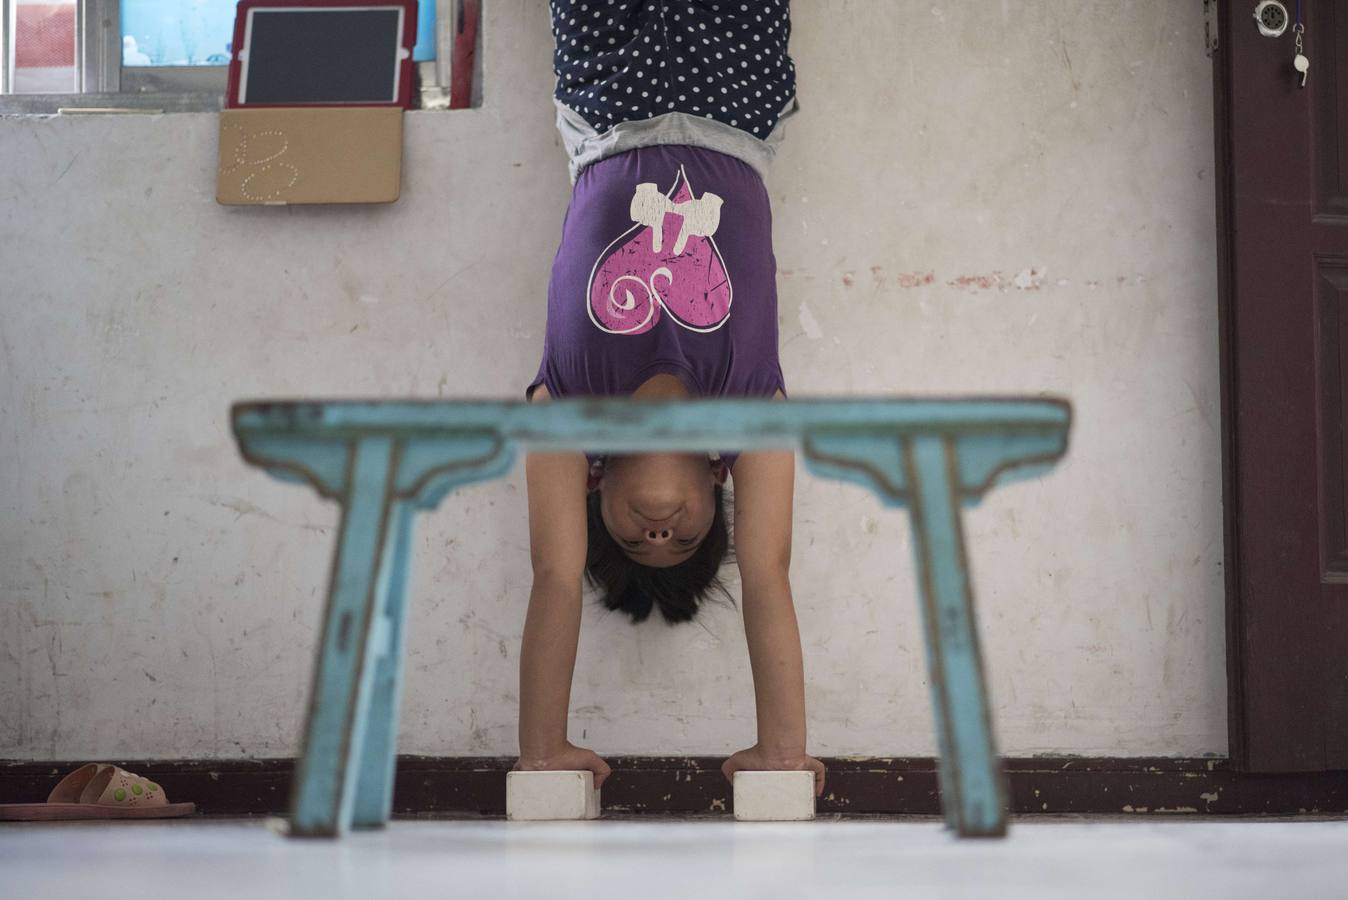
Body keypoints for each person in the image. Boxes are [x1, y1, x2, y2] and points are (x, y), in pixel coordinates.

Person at [514, 0, 825, 799]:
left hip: (605, 105)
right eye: (683, 541)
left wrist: (541, 752)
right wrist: (783, 752)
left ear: (594, 486)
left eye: (636, 539)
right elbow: (767, 572)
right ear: (719, 484)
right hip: (735, 104)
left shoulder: (565, 414)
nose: (659, 533)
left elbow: (555, 575)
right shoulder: (752, 414)